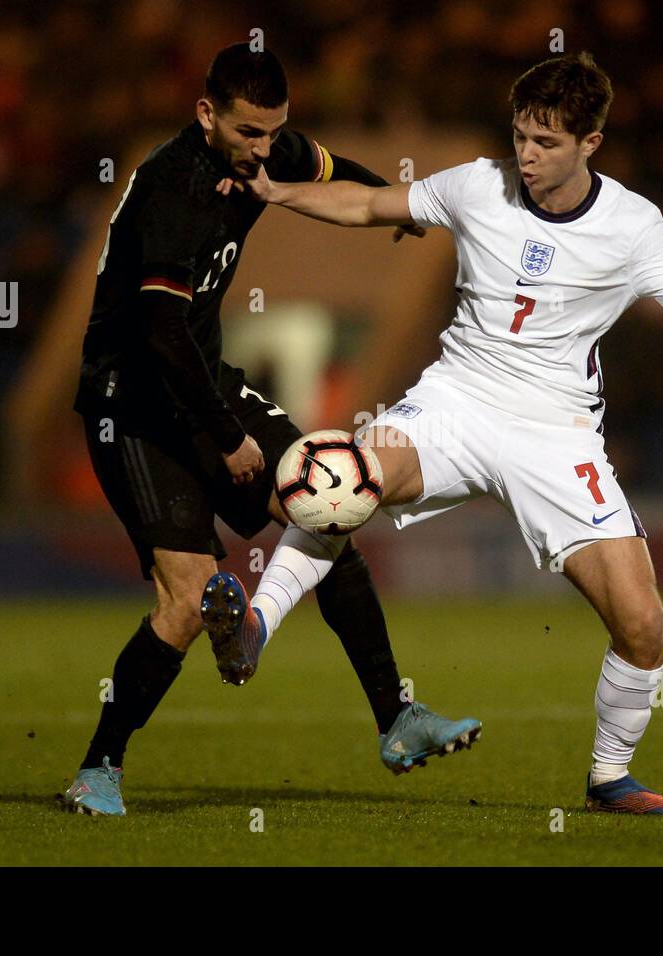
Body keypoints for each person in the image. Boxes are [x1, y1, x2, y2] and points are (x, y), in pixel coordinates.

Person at [204, 52, 663, 816]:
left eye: (546, 143)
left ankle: (610, 777)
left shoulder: (633, 226)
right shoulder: (479, 183)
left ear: (590, 144)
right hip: (457, 402)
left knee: (642, 625)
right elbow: (372, 207)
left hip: (557, 435)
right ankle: (256, 631)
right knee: (342, 483)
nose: (526, 156)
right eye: (520, 135)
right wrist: (277, 191)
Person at [62, 43, 480, 817]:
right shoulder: (171, 189)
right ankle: (99, 769)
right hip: (134, 403)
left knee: (334, 500)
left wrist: (393, 207)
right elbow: (159, 332)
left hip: (200, 375)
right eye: (250, 134)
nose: (264, 150)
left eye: (274, 132)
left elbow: (328, 169)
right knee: (185, 607)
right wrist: (225, 436)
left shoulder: (263, 150)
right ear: (207, 114)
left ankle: (397, 719)